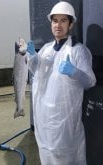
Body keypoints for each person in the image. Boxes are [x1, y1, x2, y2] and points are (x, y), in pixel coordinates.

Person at [26, 1, 96, 165]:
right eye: (55, 21)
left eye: (63, 20)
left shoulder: (78, 51)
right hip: (44, 121)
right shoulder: (46, 49)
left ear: (71, 24)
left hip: (65, 123)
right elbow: (36, 72)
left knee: (66, 157)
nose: (58, 25)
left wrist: (75, 72)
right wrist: (32, 57)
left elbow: (90, 81)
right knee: (46, 155)